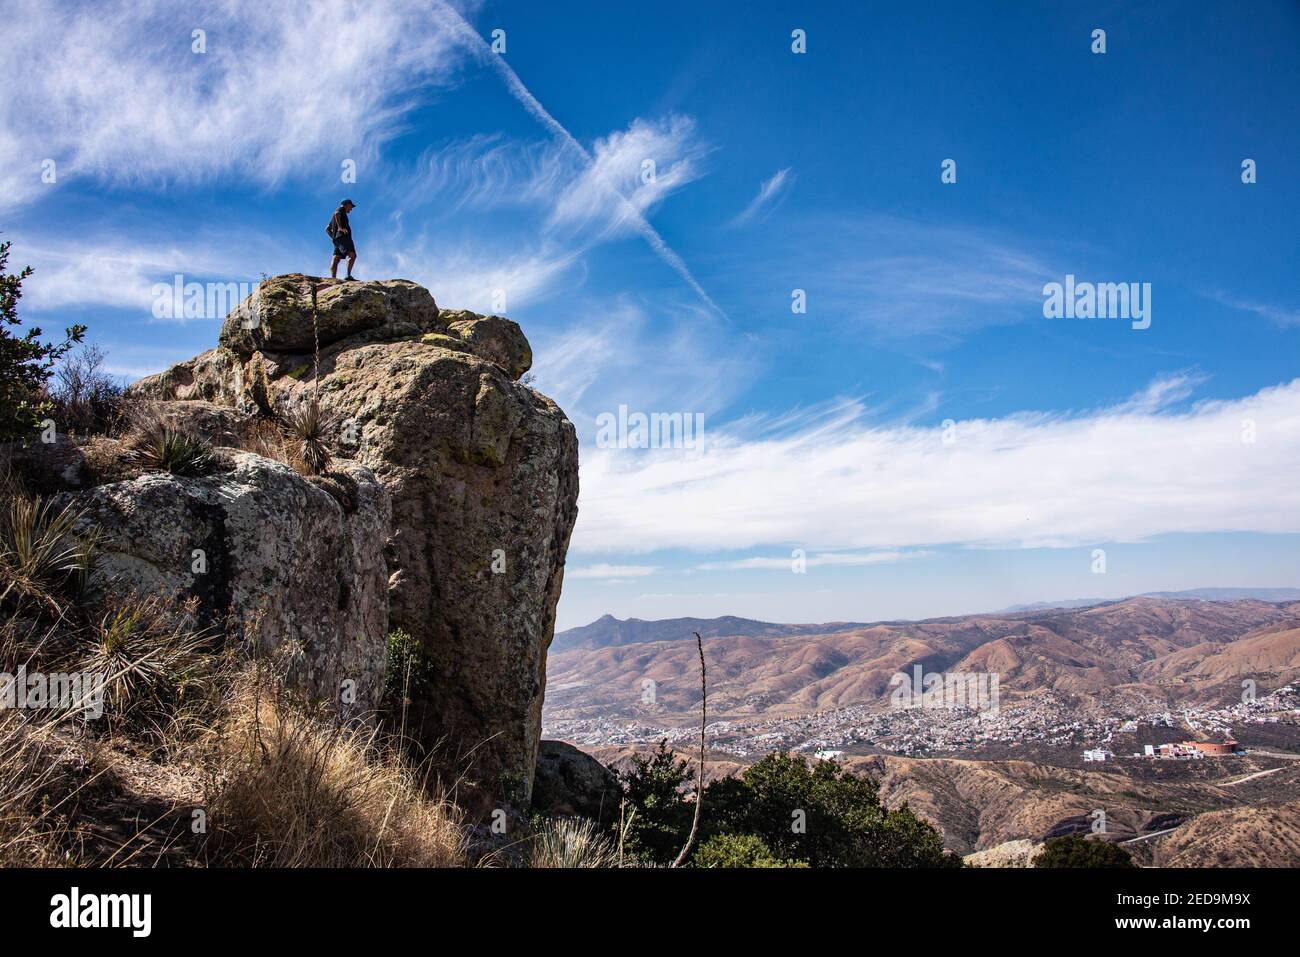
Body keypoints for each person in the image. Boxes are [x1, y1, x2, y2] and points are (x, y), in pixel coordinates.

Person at [328, 199, 358, 280]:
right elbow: (336, 213)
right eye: (351, 206)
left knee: (336, 257)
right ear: (347, 204)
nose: (351, 209)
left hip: (337, 240)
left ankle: (333, 278)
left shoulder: (336, 216)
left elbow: (327, 229)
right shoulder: (340, 210)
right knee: (352, 255)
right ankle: (348, 276)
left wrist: (334, 237)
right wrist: (340, 228)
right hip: (344, 238)